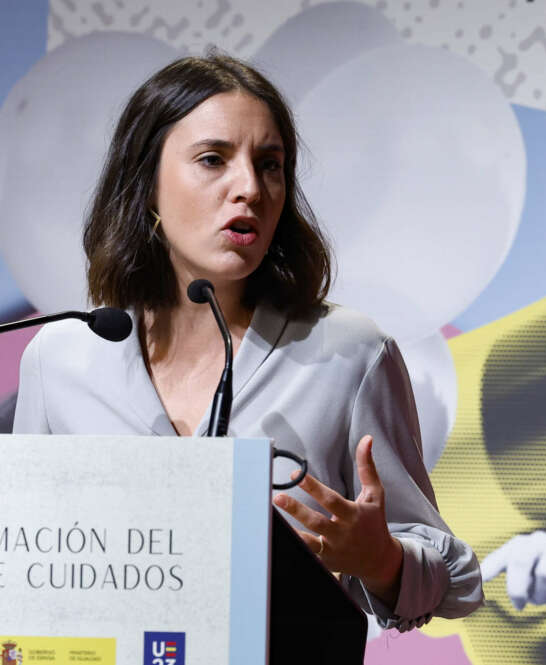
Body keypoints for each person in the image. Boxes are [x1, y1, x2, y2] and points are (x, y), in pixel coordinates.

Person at [12, 52, 483, 631]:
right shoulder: (60, 359)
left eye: (270, 165)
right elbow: (25, 567)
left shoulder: (349, 353)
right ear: (147, 187)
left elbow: (458, 582)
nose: (250, 189)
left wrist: (380, 559)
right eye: (213, 160)